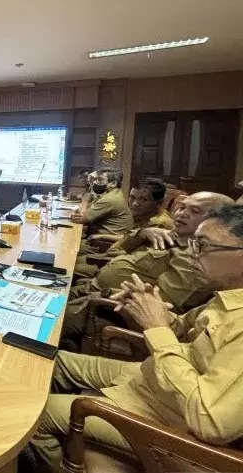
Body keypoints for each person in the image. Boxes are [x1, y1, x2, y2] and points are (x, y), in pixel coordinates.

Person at [27, 204, 243, 473]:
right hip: (153, 379)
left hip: (168, 418)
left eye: (202, 245)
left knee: (31, 413)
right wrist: (144, 306)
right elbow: (181, 330)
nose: (191, 252)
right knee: (51, 360)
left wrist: (156, 327)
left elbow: (209, 423)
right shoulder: (227, 296)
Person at [62, 191, 233, 348]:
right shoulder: (168, 234)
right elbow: (117, 249)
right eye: (181, 207)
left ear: (217, 222)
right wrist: (143, 233)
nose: (181, 214)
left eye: (195, 211)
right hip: (94, 288)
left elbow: (159, 306)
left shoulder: (195, 261)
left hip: (110, 308)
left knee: (52, 319)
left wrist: (104, 294)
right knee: (50, 292)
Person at [73, 178, 174, 279]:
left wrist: (109, 255)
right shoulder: (143, 216)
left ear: (158, 204)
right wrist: (104, 236)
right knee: (73, 257)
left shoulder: (159, 224)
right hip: (111, 253)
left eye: (144, 199)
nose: (135, 203)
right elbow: (131, 236)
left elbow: (138, 260)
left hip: (116, 265)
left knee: (71, 264)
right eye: (132, 197)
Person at [70, 167, 134, 238]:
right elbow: (88, 210)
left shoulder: (109, 199)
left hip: (105, 241)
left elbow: (80, 219)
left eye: (100, 179)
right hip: (103, 236)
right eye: (96, 179)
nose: (95, 182)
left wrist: (86, 200)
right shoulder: (114, 193)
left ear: (113, 183)